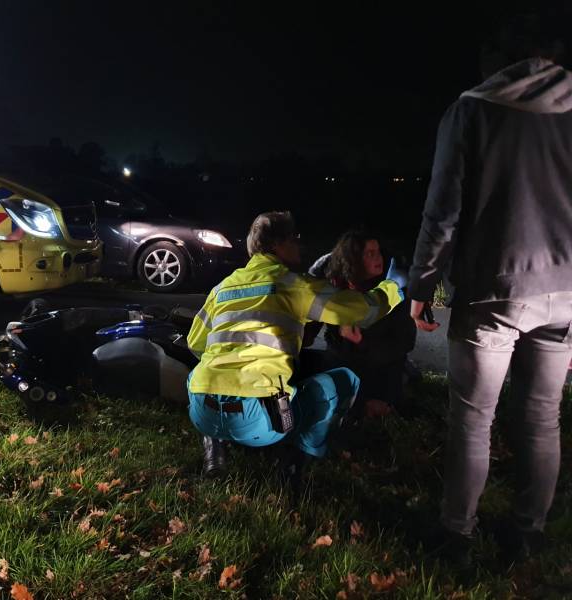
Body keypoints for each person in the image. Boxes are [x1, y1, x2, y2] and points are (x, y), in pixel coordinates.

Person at [408, 13, 572, 565]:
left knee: (474, 419)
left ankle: (457, 535)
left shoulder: (471, 110)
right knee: (542, 415)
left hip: (494, 289)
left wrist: (422, 283)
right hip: (566, 292)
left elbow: (443, 212)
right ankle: (528, 533)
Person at [187, 211, 408, 482]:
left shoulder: (222, 288)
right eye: (294, 238)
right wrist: (394, 287)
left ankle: (214, 450)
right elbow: (361, 311)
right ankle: (294, 462)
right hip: (258, 422)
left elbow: (195, 343)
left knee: (200, 374)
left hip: (202, 413)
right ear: (277, 245)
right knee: (343, 381)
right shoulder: (293, 284)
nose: (299, 245)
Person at [304, 230, 417, 419]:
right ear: (352, 259)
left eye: (378, 252)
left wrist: (362, 342)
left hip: (381, 363)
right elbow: (310, 326)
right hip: (339, 359)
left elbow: (404, 342)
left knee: (379, 403)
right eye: (369, 253)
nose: (378, 258)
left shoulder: (394, 289)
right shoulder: (333, 286)